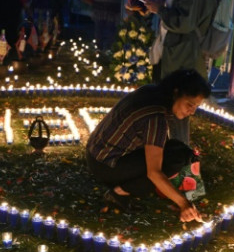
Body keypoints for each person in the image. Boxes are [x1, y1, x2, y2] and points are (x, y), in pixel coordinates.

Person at [86, 69, 211, 222]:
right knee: (173, 161)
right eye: (189, 104)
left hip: (95, 153)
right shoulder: (156, 117)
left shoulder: (151, 91)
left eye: (196, 107)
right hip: (106, 165)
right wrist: (184, 204)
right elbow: (154, 173)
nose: (191, 111)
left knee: (178, 151)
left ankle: (127, 186)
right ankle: (119, 193)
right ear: (176, 92)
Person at [143, 0, 221, 144]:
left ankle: (177, 162)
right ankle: (169, 156)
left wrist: (160, 10)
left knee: (177, 111)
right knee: (170, 110)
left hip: (182, 57)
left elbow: (185, 22)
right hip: (175, 54)